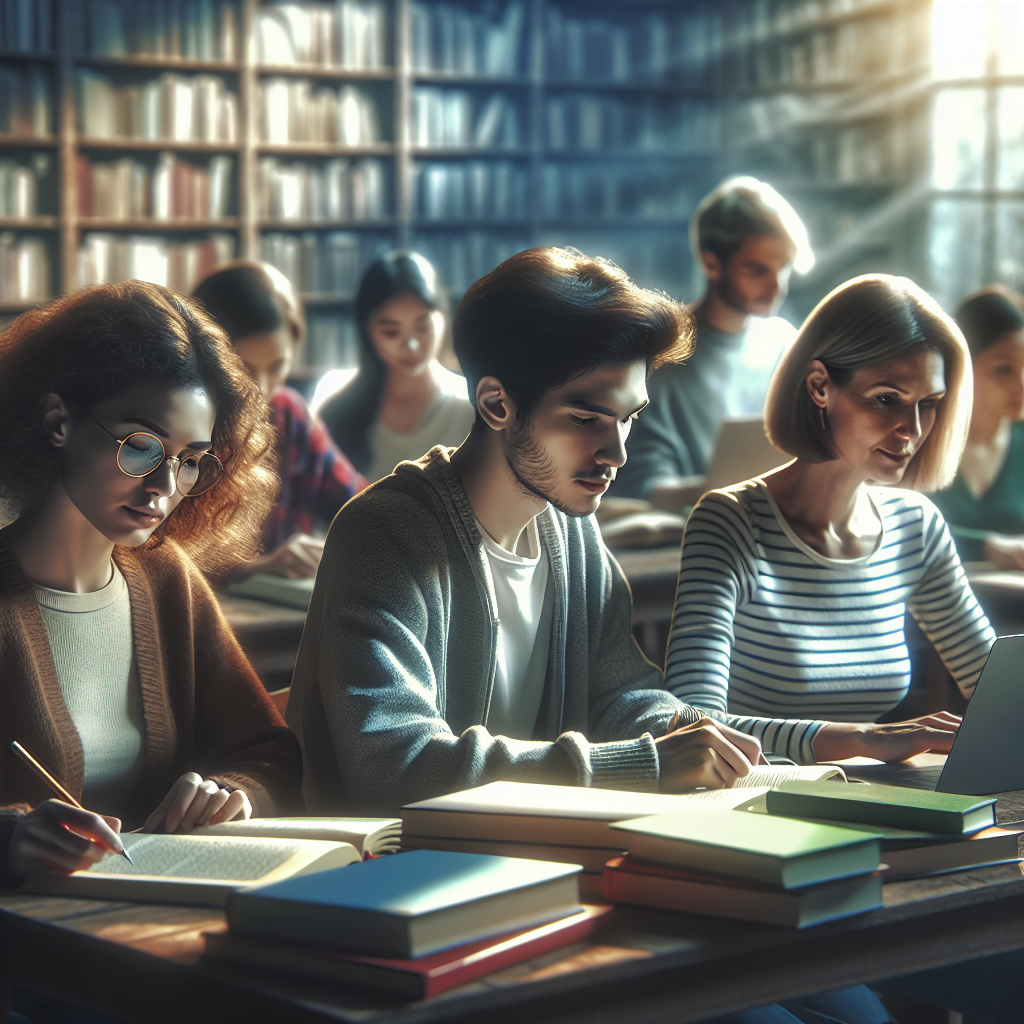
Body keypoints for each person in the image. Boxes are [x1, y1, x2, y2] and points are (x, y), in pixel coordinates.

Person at [289, 248, 896, 1024]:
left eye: (629, 419)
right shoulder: (387, 533)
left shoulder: (570, 530)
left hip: (560, 874)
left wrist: (681, 728)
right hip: (420, 910)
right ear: (498, 403)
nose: (616, 454)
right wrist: (643, 763)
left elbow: (621, 690)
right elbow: (394, 765)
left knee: (858, 1010)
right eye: (586, 418)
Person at [0, 281, 303, 884]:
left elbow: (268, 757)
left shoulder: (166, 581)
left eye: (190, 459)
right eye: (142, 446)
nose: (166, 484)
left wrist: (231, 793)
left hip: (152, 923)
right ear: (58, 421)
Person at [663, 274, 994, 764]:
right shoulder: (731, 522)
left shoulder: (915, 528)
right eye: (888, 399)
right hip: (757, 803)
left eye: (930, 404)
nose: (914, 430)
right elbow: (692, 722)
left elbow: (995, 685)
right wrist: (861, 739)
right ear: (820, 386)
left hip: (873, 797)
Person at [613, 176, 813, 507]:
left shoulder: (786, 344)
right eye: (758, 270)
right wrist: (730, 489)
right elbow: (639, 488)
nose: (777, 287)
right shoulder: (661, 357)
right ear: (712, 263)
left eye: (784, 268)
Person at [193, 261, 367, 582]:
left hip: (283, 620)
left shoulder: (287, 412)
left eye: (277, 366)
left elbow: (363, 506)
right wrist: (252, 570)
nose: (261, 389)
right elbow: (154, 554)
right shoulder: (181, 423)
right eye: (242, 367)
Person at [317, 250, 477, 482]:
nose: (411, 346)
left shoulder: (472, 408)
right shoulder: (336, 412)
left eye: (423, 327)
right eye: (391, 332)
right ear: (367, 330)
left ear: (443, 318)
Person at [929, 285, 1024, 569]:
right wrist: (986, 546)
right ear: (963, 368)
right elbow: (894, 526)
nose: (1021, 385)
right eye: (1003, 369)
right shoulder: (921, 437)